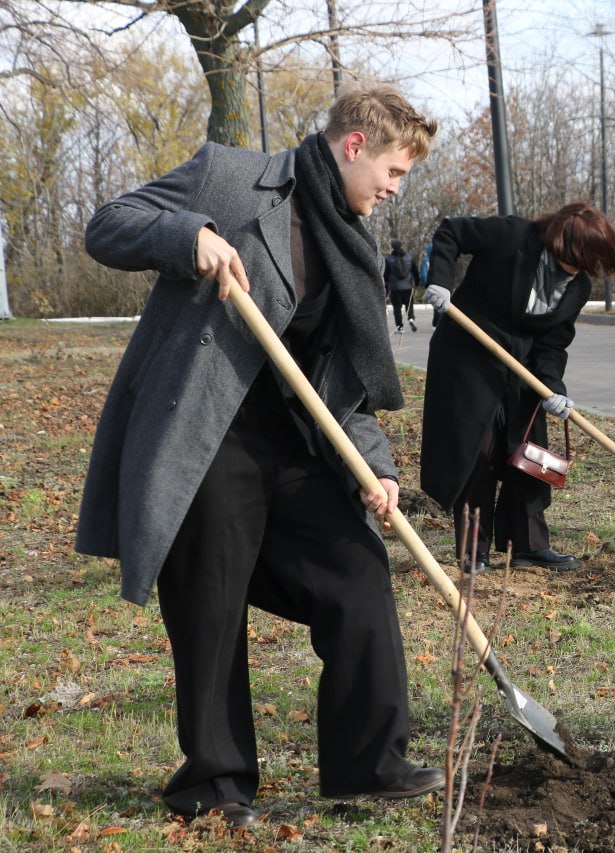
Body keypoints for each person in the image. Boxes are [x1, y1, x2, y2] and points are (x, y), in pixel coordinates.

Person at [76, 83, 444, 827]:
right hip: (206, 439)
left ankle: (369, 761)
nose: (394, 189)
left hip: (294, 444)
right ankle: (215, 784)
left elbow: (344, 379)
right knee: (210, 605)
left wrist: (377, 466)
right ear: (354, 147)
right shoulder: (232, 178)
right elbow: (108, 224)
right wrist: (190, 237)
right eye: (394, 172)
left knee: (358, 569)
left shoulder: (351, 241)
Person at [420, 204, 615, 575]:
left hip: (523, 371)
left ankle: (528, 545)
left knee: (529, 457)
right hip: (468, 359)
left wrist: (553, 389)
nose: (582, 270)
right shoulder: (512, 236)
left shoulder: (577, 287)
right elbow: (451, 230)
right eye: (581, 259)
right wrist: (440, 281)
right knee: (479, 453)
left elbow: (553, 344)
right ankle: (473, 550)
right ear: (564, 242)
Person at [384, 239, 419, 333]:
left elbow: (386, 275)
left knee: (397, 308)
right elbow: (415, 272)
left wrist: (386, 287)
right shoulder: (409, 257)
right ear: (401, 246)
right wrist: (417, 283)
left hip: (395, 287)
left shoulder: (388, 259)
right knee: (409, 305)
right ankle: (411, 318)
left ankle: (400, 327)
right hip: (408, 286)